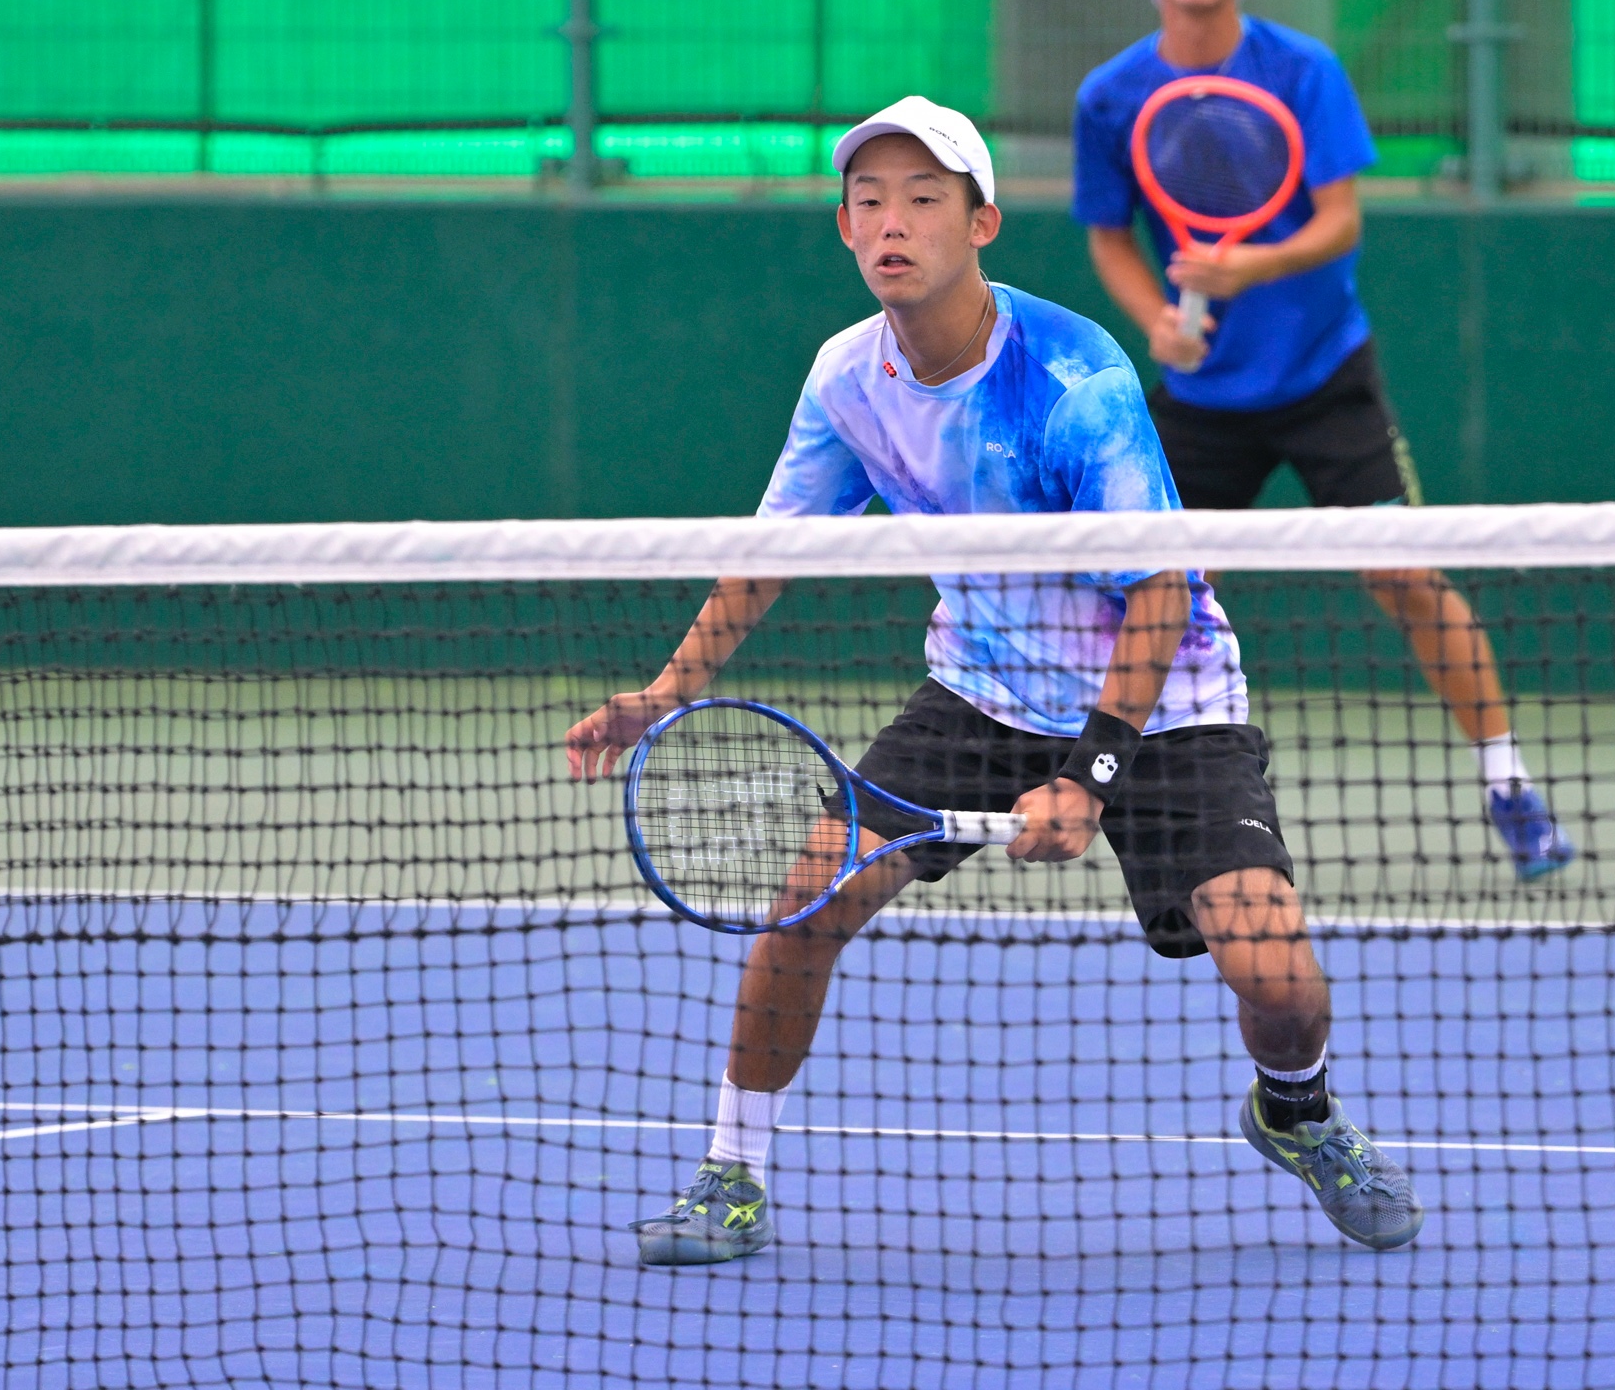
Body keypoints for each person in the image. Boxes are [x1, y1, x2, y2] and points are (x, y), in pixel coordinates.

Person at [567, 96, 1424, 1267]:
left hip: (1164, 701)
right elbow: (769, 556)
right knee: (804, 910)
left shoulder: (1074, 378)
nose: (893, 223)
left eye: (924, 199)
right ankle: (733, 1172)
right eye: (870, 201)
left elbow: (1161, 593)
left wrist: (1089, 778)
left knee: (1279, 981)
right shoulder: (847, 379)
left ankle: (1297, 1110)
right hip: (979, 694)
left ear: (981, 224)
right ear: (844, 226)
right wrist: (666, 691)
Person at [1074, 0, 1576, 880]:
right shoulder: (1109, 96)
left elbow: (1341, 220)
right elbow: (1109, 236)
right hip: (1201, 400)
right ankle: (1095, 781)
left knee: (1406, 577)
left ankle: (1508, 782)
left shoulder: (1303, 71)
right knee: (1138, 593)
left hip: (1324, 378)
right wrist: (1157, 322)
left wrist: (1251, 266)